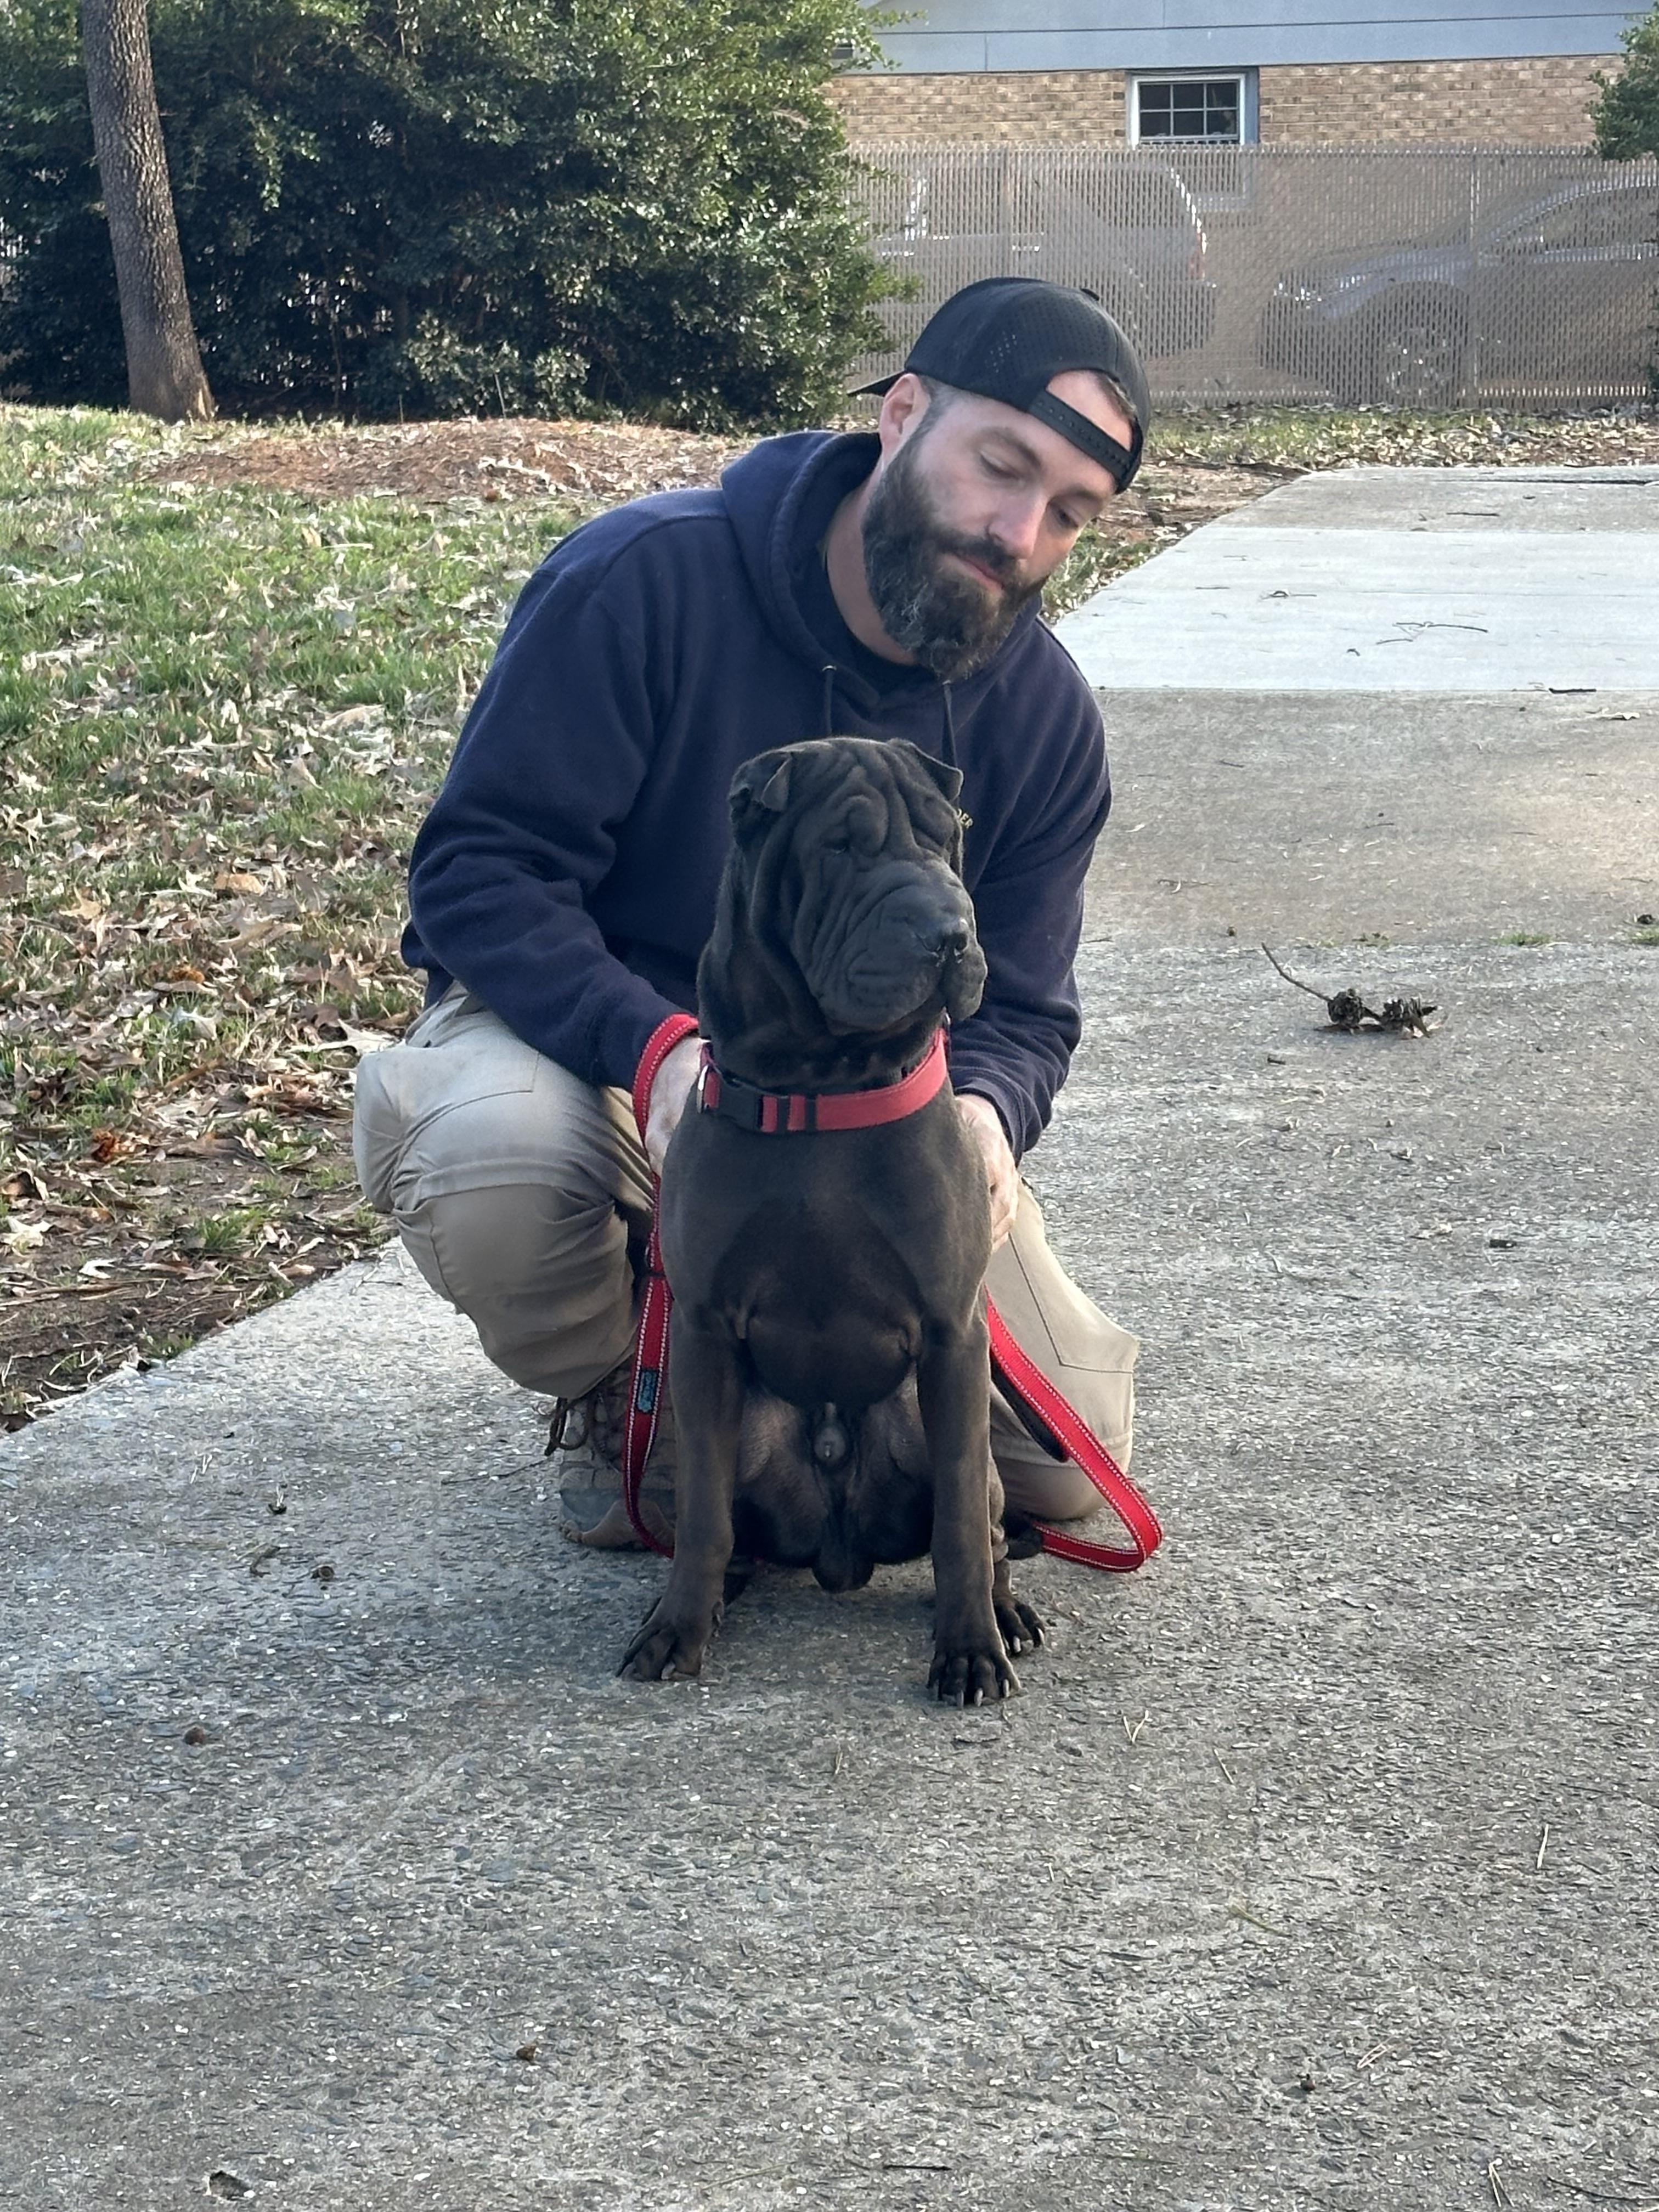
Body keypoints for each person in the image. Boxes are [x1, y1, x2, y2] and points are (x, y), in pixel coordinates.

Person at [354, 276, 1148, 1548]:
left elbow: (1031, 1007)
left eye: (1070, 513)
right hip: (602, 1059)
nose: (1019, 531)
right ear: (901, 417)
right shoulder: (640, 582)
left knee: (1066, 1470)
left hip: (881, 1111)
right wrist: (656, 1051)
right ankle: (634, 1389)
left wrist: (988, 1121)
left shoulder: (1042, 715)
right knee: (501, 1164)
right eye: (1001, 467)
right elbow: (479, 876)